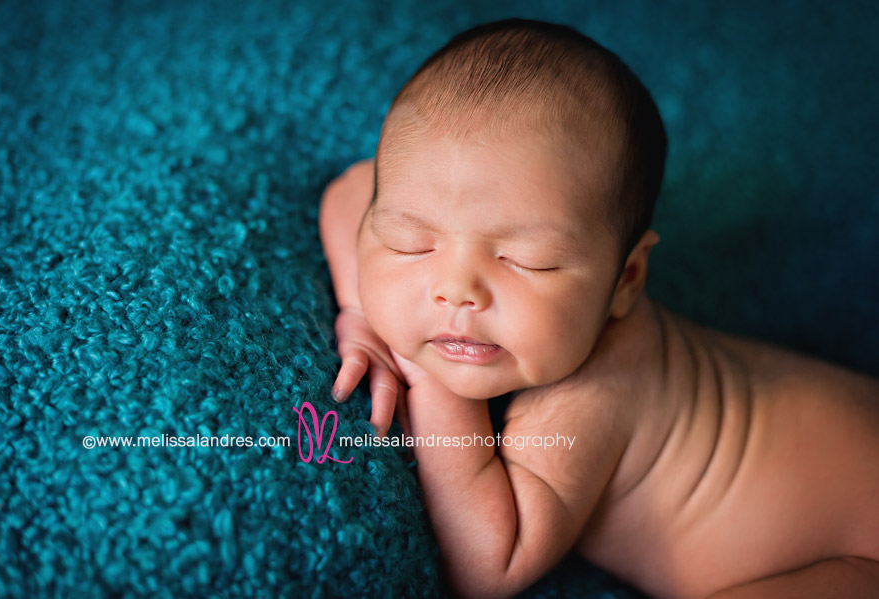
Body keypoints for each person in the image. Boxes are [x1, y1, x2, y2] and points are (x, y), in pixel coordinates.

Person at [319, 19, 879, 599]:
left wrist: (427, 377)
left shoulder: (594, 389)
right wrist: (362, 312)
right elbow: (352, 189)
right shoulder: (521, 307)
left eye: (527, 261)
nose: (455, 289)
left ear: (626, 279)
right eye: (412, 243)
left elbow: (488, 563)